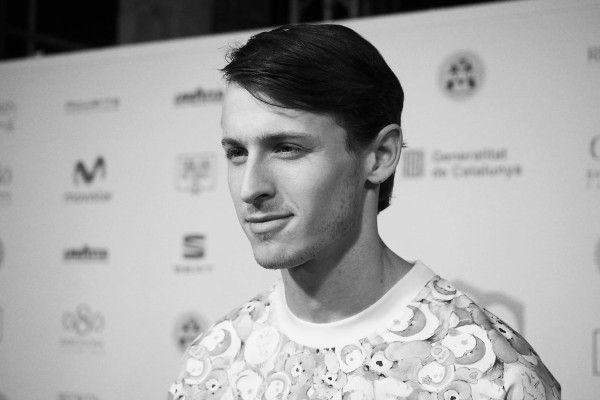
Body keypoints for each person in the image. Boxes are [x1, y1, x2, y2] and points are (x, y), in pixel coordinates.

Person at [169, 24, 561, 400]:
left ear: (380, 156)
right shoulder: (212, 361)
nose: (250, 187)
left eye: (287, 148)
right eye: (237, 152)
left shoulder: (493, 376)